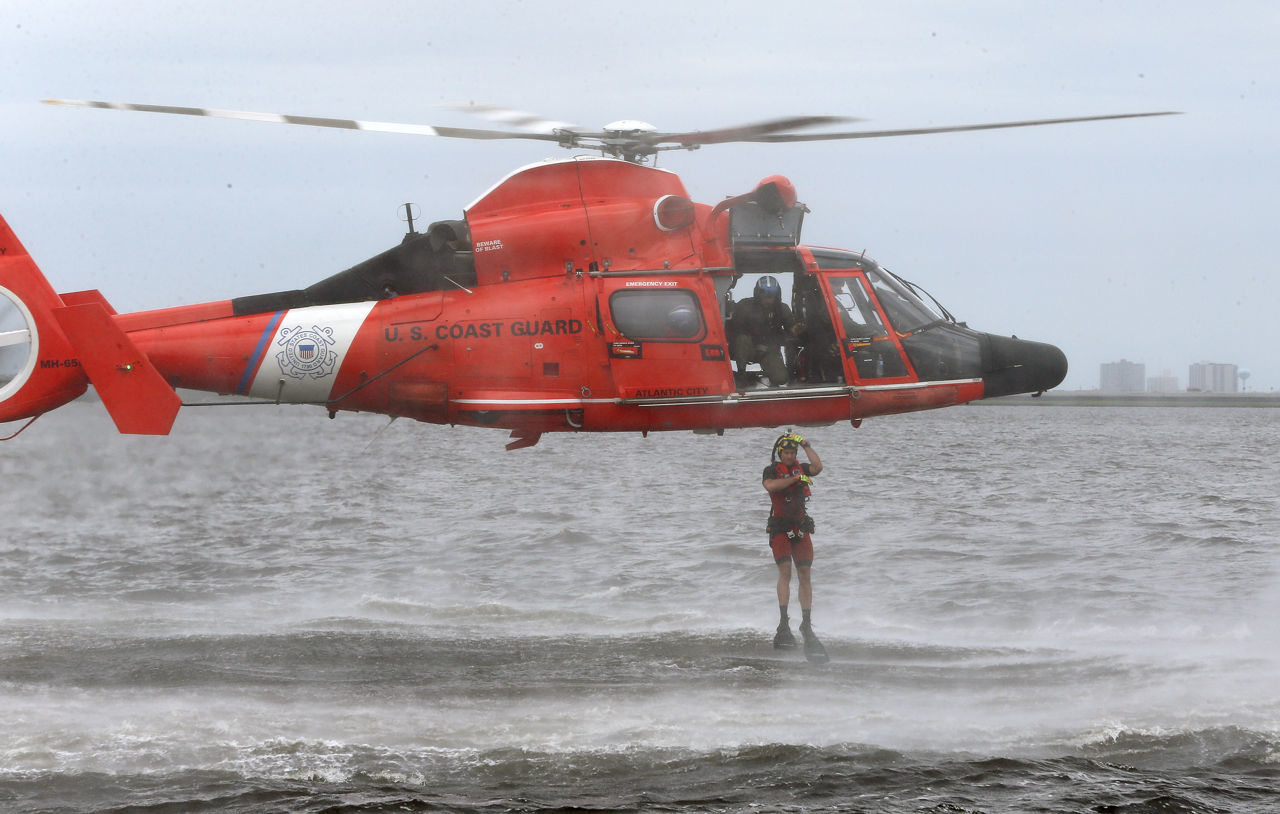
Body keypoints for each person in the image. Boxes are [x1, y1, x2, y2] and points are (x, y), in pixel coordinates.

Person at [762, 432, 824, 653]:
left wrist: (806, 444)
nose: (789, 456)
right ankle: (783, 621)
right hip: (780, 528)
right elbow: (771, 486)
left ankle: (806, 624)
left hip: (801, 527)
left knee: (805, 574)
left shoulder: (803, 468)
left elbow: (818, 467)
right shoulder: (771, 471)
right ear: (780, 454)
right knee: (785, 572)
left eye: (792, 453)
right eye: (786, 453)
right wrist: (796, 479)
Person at [727, 275, 802, 386]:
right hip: (747, 348)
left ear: (777, 295)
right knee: (741, 339)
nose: (768, 298)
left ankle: (768, 372)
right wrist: (754, 341)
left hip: (769, 350)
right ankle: (741, 374)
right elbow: (733, 330)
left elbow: (790, 333)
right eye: (764, 294)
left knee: (781, 378)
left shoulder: (783, 309)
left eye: (772, 295)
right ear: (757, 294)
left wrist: (797, 329)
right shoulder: (744, 306)